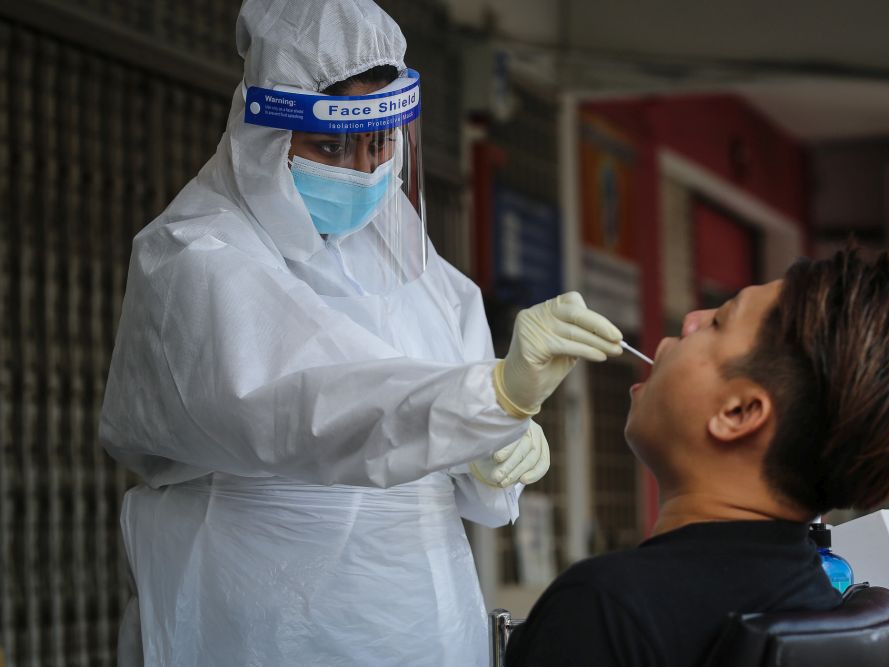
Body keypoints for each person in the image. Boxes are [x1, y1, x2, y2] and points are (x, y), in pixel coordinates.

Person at [99, 1, 623, 664]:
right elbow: (316, 407)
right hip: (262, 630)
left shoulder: (400, 252)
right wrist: (492, 395)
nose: (364, 166)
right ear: (263, 131)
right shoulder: (194, 259)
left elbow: (469, 472)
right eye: (331, 145)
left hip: (428, 627)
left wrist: (496, 456)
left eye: (381, 142)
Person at [505, 247, 889, 667]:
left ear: (739, 412)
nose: (690, 321)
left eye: (719, 321)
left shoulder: (604, 610)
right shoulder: (815, 593)